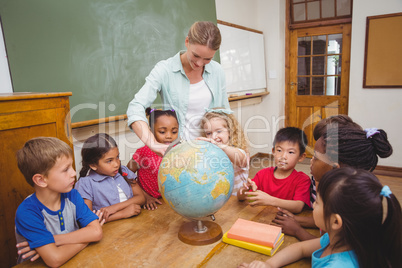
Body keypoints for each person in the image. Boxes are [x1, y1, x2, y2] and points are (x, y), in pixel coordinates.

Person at [238, 168, 402, 268]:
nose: (313, 205)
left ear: (336, 221)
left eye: (317, 202)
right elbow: (300, 249)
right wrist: (269, 264)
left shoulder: (339, 265)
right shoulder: (339, 240)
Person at [127, 21, 230, 157]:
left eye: (207, 59)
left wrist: (234, 149)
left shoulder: (217, 71)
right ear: (187, 41)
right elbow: (135, 107)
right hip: (181, 155)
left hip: (213, 152)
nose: (199, 64)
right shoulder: (164, 70)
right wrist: (153, 143)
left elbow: (225, 114)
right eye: (196, 56)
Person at [274, 123, 393, 241]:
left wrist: (297, 230)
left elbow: (329, 248)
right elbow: (326, 221)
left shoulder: (345, 203)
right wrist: (296, 220)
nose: (311, 161)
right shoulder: (338, 190)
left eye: (315, 157)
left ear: (335, 168)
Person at [14, 137, 103, 267]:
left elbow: (96, 232)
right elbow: (55, 259)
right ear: (41, 180)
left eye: (72, 166)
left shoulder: (72, 195)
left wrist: (53, 241)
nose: (74, 173)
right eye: (66, 169)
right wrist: (87, 238)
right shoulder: (27, 211)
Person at [75, 133, 145, 223]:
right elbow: (87, 219)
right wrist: (122, 214)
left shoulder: (124, 171)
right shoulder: (85, 183)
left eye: (117, 157)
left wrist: (114, 208)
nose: (116, 164)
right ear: (93, 165)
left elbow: (141, 198)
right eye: (109, 161)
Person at [237, 127, 310, 213]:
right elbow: (240, 198)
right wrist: (244, 189)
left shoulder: (302, 180)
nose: (283, 156)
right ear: (273, 151)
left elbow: (298, 207)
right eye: (279, 150)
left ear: (301, 157)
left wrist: (270, 200)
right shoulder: (262, 174)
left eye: (290, 152)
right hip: (262, 218)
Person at [127, 108, 179, 210]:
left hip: (170, 202)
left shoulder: (177, 150)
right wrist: (144, 197)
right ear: (150, 131)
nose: (169, 136)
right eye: (162, 132)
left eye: (174, 131)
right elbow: (126, 175)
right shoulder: (143, 152)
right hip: (150, 204)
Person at [196, 107, 249, 195]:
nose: (213, 137)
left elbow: (242, 160)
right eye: (209, 133)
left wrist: (220, 146)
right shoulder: (211, 154)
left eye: (219, 131)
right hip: (219, 200)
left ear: (230, 131)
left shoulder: (237, 151)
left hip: (237, 201)